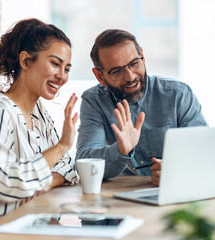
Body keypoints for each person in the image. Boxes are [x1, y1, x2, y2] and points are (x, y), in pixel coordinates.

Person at [0, 18, 79, 239]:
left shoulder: (39, 114)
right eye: (55, 64)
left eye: (66, 68)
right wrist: (61, 146)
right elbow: (4, 183)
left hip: (27, 218)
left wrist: (40, 185)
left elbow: (69, 168)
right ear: (26, 61)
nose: (62, 76)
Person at [76, 29, 207, 186]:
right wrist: (120, 150)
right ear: (100, 76)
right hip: (121, 197)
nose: (130, 77)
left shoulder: (178, 94)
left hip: (176, 190)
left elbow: (204, 152)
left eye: (134, 63)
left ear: (143, 57)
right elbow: (84, 164)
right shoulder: (94, 100)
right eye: (116, 71)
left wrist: (177, 169)